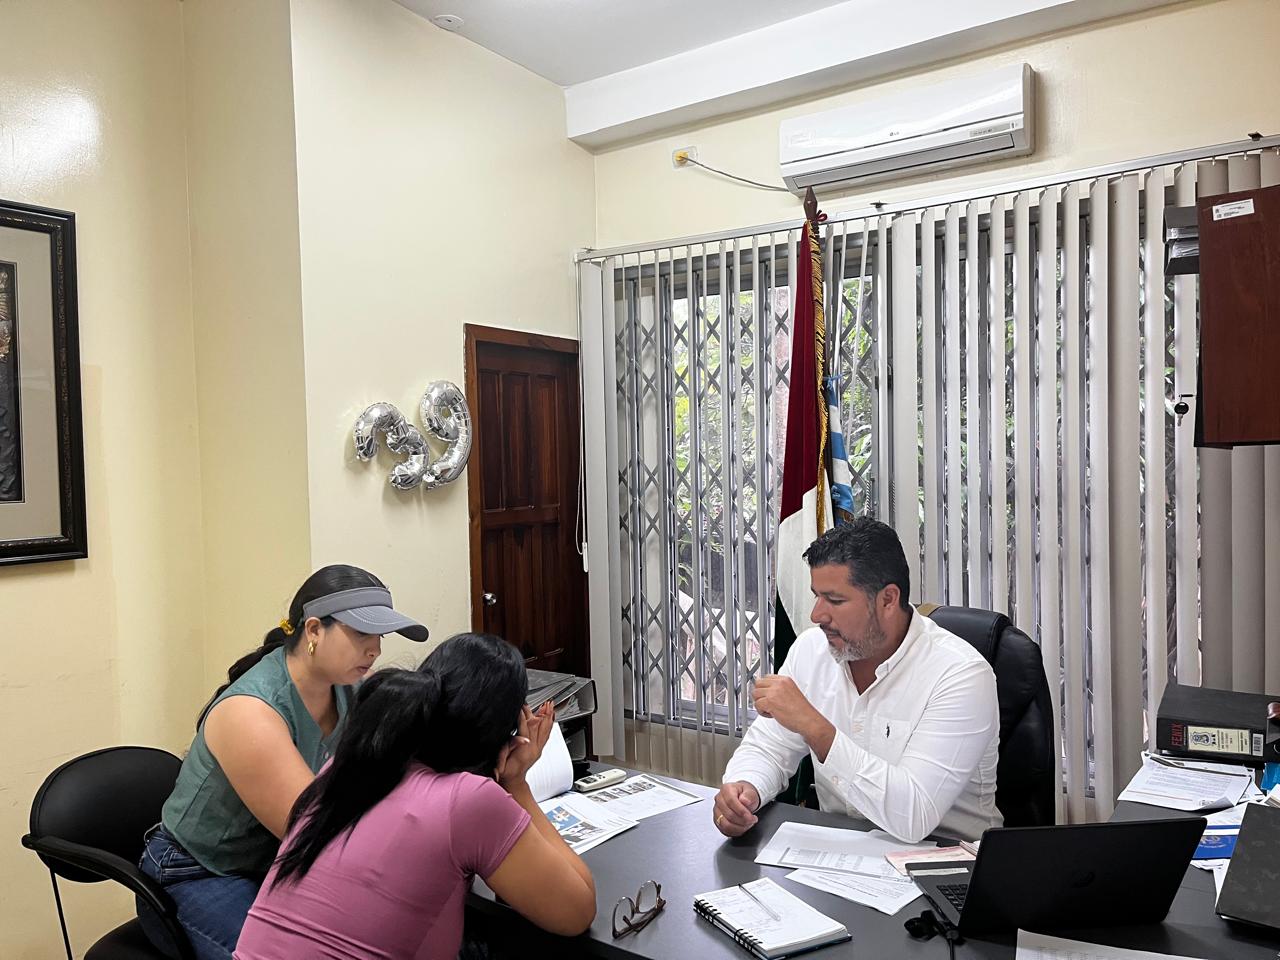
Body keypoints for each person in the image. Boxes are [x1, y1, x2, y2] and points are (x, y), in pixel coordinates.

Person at [233, 632, 597, 959]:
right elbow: (576, 912)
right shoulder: (469, 800)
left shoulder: (348, 768)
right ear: (506, 728)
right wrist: (517, 785)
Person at [138, 565, 429, 960]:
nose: (375, 650)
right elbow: (311, 831)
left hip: (274, 861)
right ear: (314, 630)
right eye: (362, 633)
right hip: (199, 871)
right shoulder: (251, 712)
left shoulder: (346, 688)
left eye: (380, 636)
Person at [714, 517, 1001, 843]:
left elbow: (915, 815)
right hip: (840, 855)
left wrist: (815, 728)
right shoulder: (811, 650)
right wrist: (744, 789)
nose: (816, 615)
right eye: (816, 596)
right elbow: (769, 748)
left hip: (945, 861)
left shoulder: (960, 674)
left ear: (888, 599)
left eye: (835, 600)